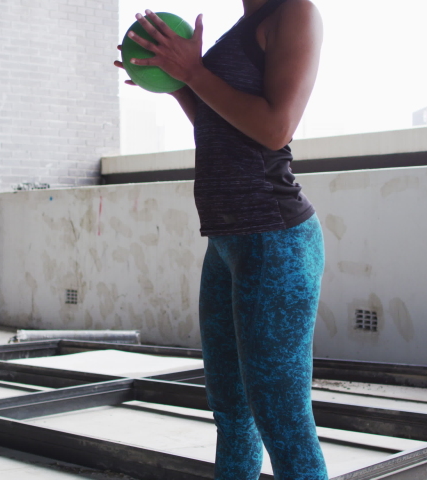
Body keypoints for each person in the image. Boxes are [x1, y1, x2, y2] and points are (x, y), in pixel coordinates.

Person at [115, 1, 327, 478]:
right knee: (231, 415)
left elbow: (275, 129)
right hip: (226, 244)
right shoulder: (244, 25)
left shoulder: (295, 13)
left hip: (276, 242)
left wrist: (192, 70)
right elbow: (220, 127)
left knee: (282, 421)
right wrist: (174, 80)